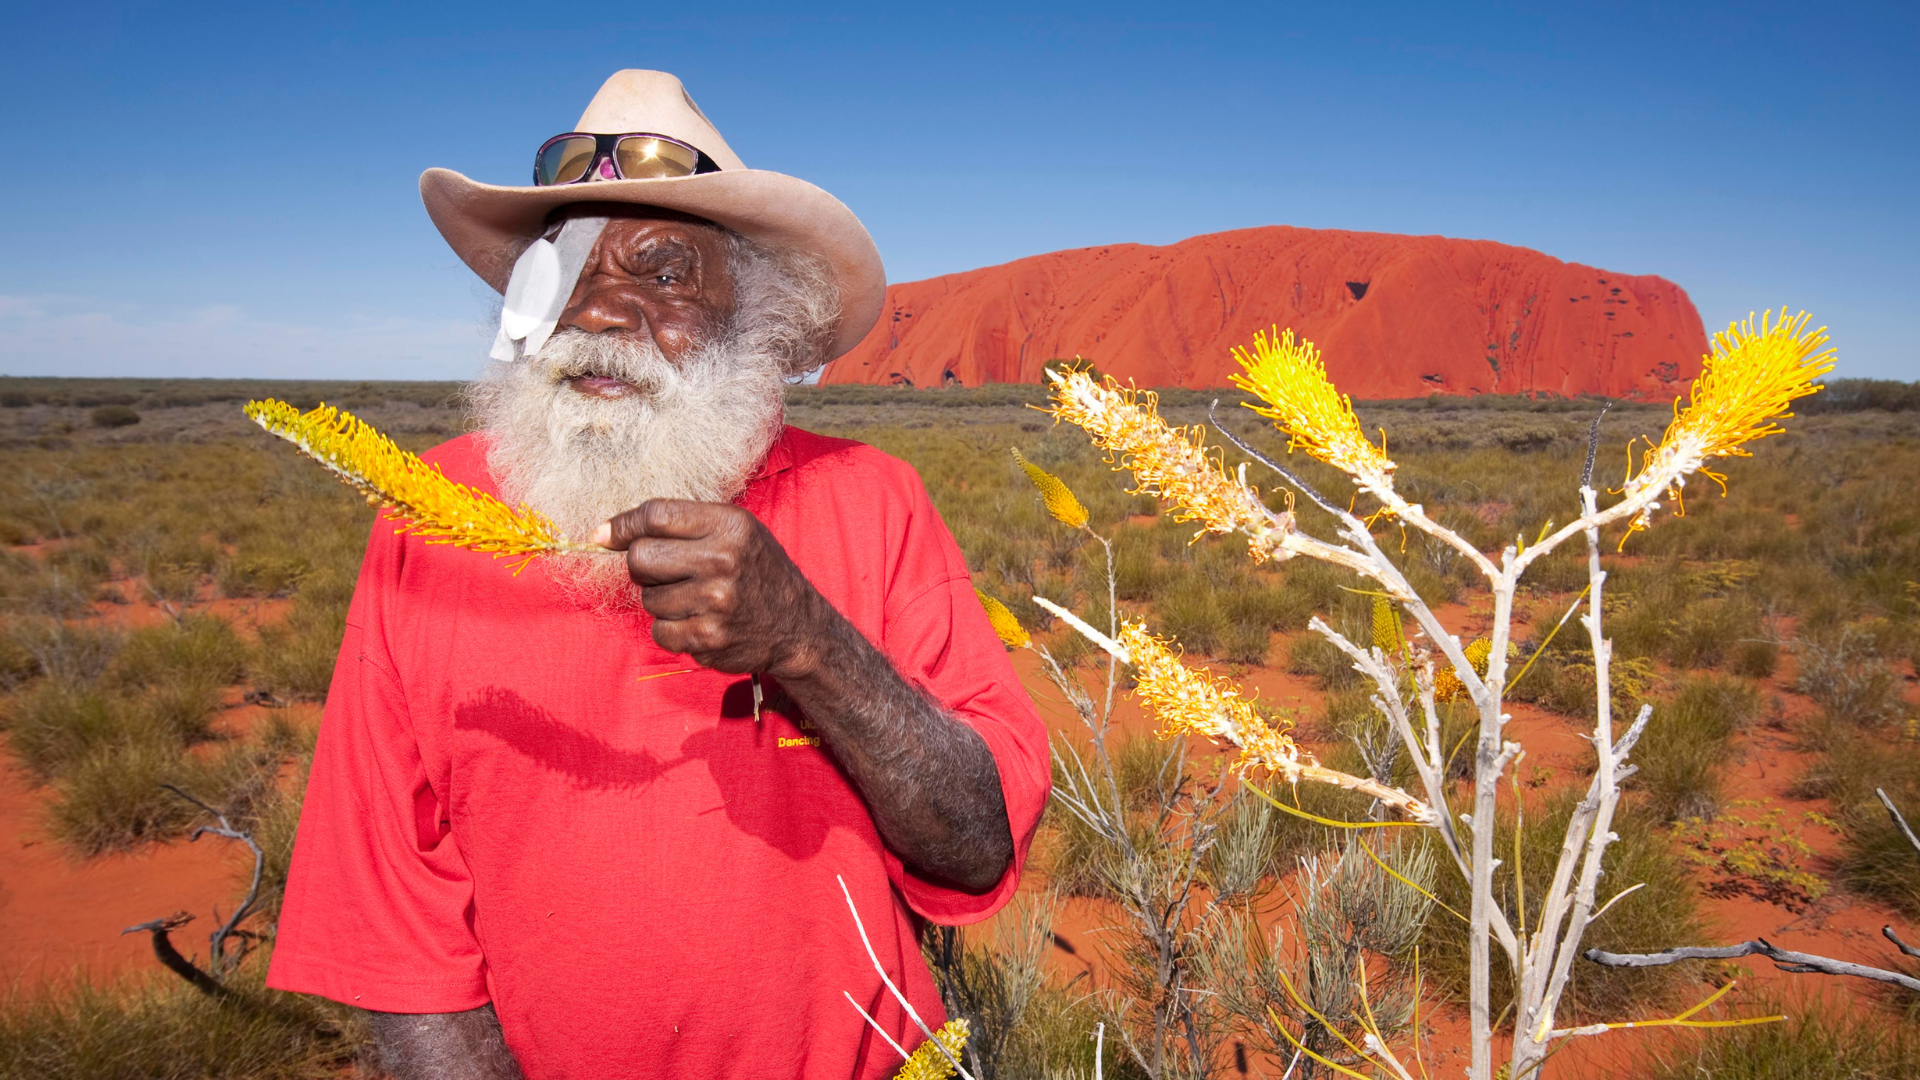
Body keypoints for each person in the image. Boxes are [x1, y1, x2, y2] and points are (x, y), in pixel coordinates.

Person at [265, 70, 1051, 1080]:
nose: (600, 310)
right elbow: (396, 925)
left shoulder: (873, 498)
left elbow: (975, 842)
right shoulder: (426, 514)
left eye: (666, 272)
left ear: (759, 319)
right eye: (573, 269)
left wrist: (808, 642)